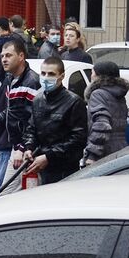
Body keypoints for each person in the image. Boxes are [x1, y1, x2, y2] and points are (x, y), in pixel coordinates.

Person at [18, 57, 88, 185]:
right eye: (43, 73)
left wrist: (49, 156)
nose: (46, 77)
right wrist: (28, 148)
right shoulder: (38, 100)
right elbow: (31, 129)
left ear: (61, 76)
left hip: (65, 169)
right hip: (41, 165)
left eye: (51, 74)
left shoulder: (74, 102)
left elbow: (78, 139)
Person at [0, 40, 40, 194]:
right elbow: (12, 111)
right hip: (14, 145)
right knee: (1, 191)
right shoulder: (10, 79)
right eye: (2, 56)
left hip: (24, 149)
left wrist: (21, 147)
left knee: (5, 194)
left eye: (8, 55)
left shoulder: (32, 81)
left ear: (21, 56)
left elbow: (31, 120)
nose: (4, 60)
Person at [84, 60, 129, 166]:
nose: (91, 76)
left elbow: (102, 125)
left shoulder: (98, 94)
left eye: (92, 73)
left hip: (103, 152)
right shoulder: (119, 95)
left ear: (99, 76)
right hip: (120, 149)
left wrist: (92, 155)